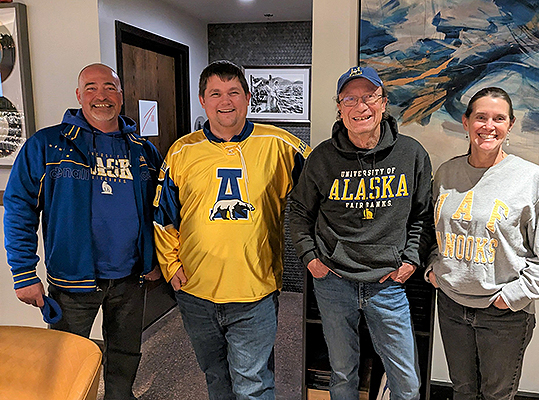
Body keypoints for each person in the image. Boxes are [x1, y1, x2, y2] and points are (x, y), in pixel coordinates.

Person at [4, 63, 163, 400]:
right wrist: (23, 273)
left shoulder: (144, 152)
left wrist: (154, 259)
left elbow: (158, 212)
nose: (101, 95)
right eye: (91, 87)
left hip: (130, 278)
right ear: (79, 96)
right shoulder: (48, 146)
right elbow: (19, 207)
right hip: (72, 281)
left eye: (109, 87)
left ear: (121, 95)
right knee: (63, 359)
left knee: (125, 354)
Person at [153, 60, 311, 400]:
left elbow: (321, 190)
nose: (226, 101)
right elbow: (164, 216)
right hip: (196, 291)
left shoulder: (280, 145)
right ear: (202, 100)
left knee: (253, 384)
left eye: (234, 92)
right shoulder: (182, 151)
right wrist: (171, 265)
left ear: (248, 97)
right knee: (215, 378)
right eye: (216, 93)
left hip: (254, 290)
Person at [289, 66, 434, 400]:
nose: (360, 106)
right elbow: (298, 211)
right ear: (339, 108)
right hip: (333, 282)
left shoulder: (411, 154)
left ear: (383, 103)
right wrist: (311, 258)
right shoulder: (322, 157)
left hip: (387, 284)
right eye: (350, 98)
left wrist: (411, 259)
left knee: (408, 383)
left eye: (369, 96)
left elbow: (423, 215)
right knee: (342, 374)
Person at [426, 87, 539, 400]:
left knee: (496, 395)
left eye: (498, 118)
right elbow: (432, 230)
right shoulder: (446, 172)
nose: (488, 126)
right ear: (466, 123)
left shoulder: (532, 179)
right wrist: (433, 269)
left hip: (502, 314)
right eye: (480, 117)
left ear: (510, 124)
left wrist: (512, 296)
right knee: (462, 391)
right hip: (451, 307)